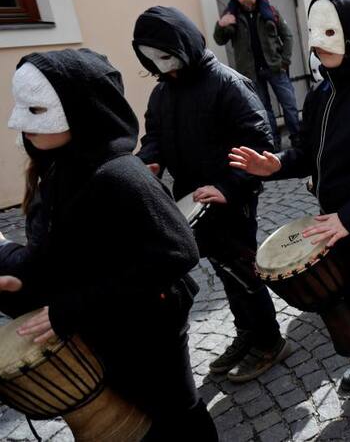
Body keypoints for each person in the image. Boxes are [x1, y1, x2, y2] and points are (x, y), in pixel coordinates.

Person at [229, 0, 350, 427]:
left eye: (330, 33)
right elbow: (307, 153)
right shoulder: (322, 94)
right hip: (336, 224)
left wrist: (349, 217)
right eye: (314, 33)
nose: (317, 43)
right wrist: (276, 165)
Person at [1, 49, 218, 439]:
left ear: (81, 109)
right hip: (104, 322)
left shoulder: (120, 174)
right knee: (142, 408)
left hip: (148, 326)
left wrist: (72, 308)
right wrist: (24, 279)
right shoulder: (58, 168)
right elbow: (71, 251)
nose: (18, 122)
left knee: (176, 413)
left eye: (35, 110)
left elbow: (178, 251)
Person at [133, 6, 288, 384]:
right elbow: (154, 136)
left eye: (166, 56)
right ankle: (246, 332)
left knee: (245, 272)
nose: (163, 66)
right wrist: (150, 161)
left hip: (232, 199)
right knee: (224, 269)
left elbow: (258, 142)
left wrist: (227, 187)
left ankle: (270, 341)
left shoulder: (228, 84)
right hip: (194, 198)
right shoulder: (162, 92)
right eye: (153, 59)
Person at [214, 0, 300, 149]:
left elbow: (287, 36)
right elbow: (220, 40)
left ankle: (298, 140)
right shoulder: (231, 15)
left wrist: (285, 60)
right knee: (264, 109)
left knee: (289, 104)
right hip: (250, 72)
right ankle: (273, 144)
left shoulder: (270, 11)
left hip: (275, 67)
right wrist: (220, 25)